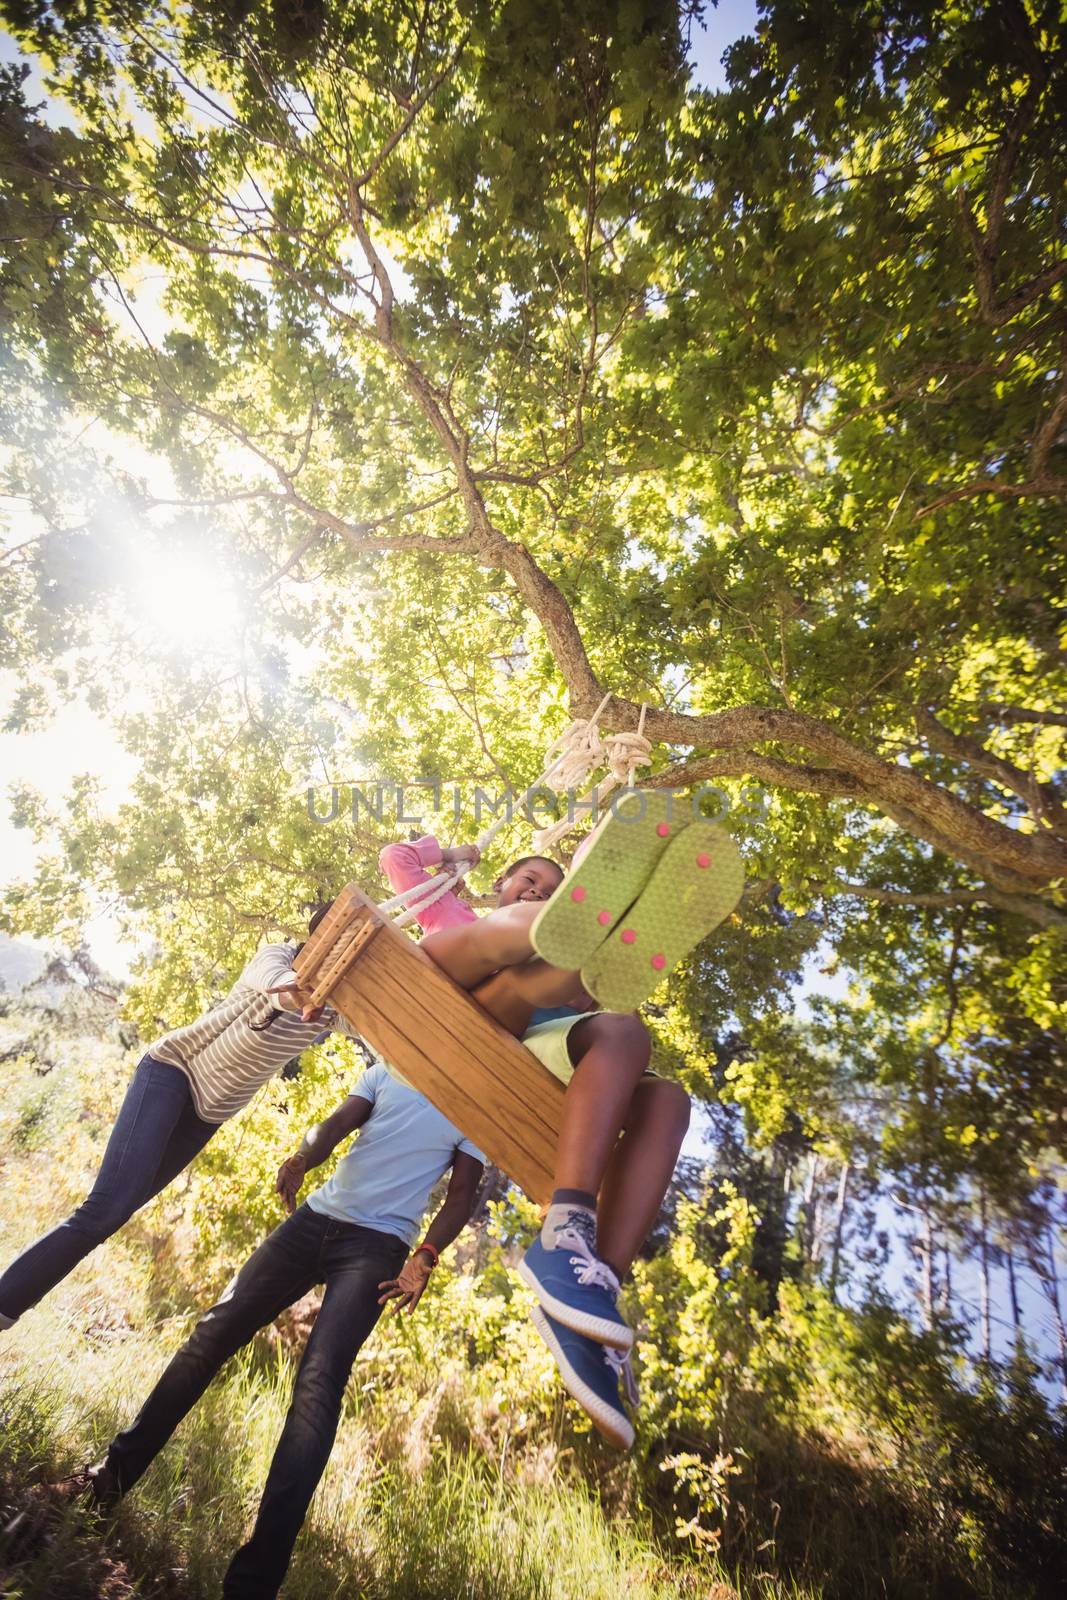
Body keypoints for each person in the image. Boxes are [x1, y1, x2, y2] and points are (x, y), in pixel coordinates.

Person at [378, 796, 742, 1448]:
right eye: (530, 880)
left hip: (524, 1032)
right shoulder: (450, 904)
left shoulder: (562, 978)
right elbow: (395, 858)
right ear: (499, 882)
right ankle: (590, 906)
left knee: (651, 1075)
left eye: (553, 888)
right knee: (528, 936)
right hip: (445, 993)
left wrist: (586, 987)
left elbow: (587, 1016)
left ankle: (585, 1282)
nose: (534, 887)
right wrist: (454, 857)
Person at [82, 1057, 485, 1600]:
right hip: (315, 1219)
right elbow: (339, 1123)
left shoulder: (480, 1104)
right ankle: (108, 1481)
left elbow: (461, 1194)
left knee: (317, 1388)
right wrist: (302, 1157)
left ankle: (252, 1585)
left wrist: (427, 1255)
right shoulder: (392, 1065)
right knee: (212, 1334)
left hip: (377, 1245)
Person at [0, 909, 342, 1332]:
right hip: (172, 1072)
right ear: (316, 936)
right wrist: (299, 995)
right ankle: (5, 1305)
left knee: (112, 1216)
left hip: (206, 1115)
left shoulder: (332, 1008)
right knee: (105, 1210)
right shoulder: (276, 955)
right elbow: (280, 990)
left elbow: (378, 1030)